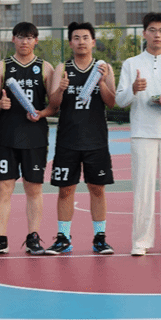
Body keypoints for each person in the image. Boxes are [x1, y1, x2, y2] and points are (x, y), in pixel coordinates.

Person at [115, 12, 161, 256]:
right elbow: (120, 100)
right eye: (152, 30)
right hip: (142, 132)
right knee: (142, 188)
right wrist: (134, 89)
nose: (157, 35)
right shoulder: (131, 63)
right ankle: (141, 241)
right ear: (144, 33)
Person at [0, 22, 55, 256]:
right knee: (3, 188)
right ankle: (0, 238)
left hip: (35, 137)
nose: (25, 41)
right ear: (13, 39)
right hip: (6, 136)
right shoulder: (2, 66)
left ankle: (33, 237)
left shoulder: (45, 68)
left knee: (33, 188)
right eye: (21, 37)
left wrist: (41, 113)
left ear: (36, 40)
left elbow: (54, 105)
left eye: (30, 37)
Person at [45, 22, 117, 255]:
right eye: (76, 38)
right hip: (68, 139)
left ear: (93, 42)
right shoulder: (62, 68)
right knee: (65, 190)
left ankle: (100, 238)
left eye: (85, 37)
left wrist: (102, 83)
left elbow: (111, 102)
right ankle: (63, 238)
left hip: (96, 139)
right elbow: (54, 105)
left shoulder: (103, 68)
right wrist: (60, 89)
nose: (81, 42)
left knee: (97, 189)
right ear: (70, 43)